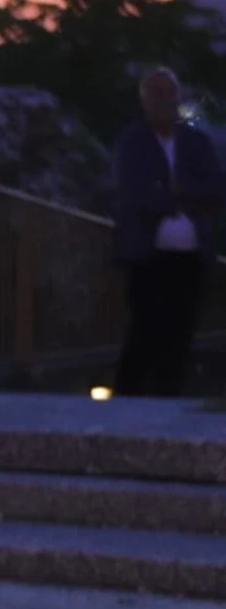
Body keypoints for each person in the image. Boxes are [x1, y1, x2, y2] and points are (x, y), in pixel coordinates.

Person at [113, 68, 224, 397]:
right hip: (147, 255)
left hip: (191, 256)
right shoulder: (132, 142)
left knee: (181, 333)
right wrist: (184, 195)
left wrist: (175, 192)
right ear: (145, 100)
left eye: (169, 93)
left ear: (179, 97)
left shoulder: (196, 142)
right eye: (156, 93)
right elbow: (134, 193)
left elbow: (216, 190)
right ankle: (129, 402)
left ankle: (168, 401)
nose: (164, 101)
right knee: (144, 331)